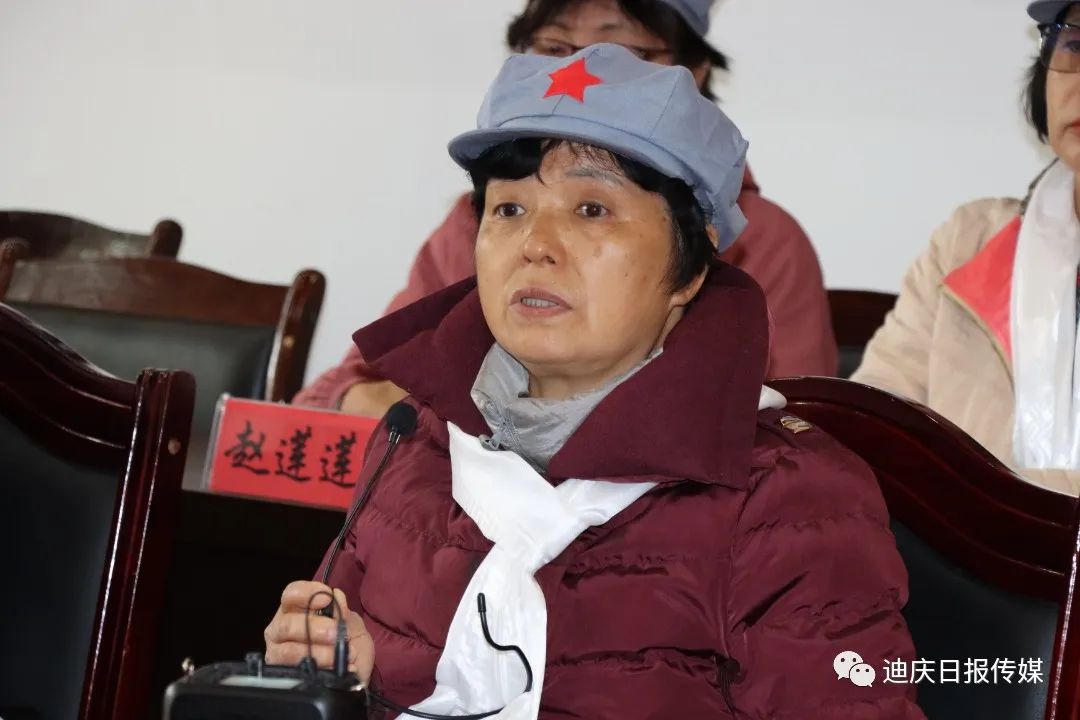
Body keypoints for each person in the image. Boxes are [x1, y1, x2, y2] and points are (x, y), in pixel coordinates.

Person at [264, 45, 920, 719]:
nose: (535, 244)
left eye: (592, 210)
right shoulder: (414, 442)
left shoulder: (789, 498)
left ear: (690, 269)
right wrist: (342, 686)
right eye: (508, 210)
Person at [295, 0, 836, 417]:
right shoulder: (475, 222)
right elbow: (336, 395)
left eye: (625, 54)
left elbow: (804, 430)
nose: (584, 71)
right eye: (554, 48)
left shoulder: (765, 242)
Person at [852, 0, 1080, 497]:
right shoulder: (968, 241)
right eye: (1077, 45)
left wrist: (974, 497)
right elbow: (868, 434)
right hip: (945, 550)